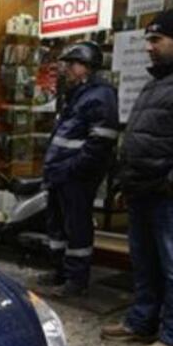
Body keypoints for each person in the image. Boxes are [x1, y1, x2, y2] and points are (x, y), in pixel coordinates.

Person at [101, 10, 173, 346]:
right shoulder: (160, 78)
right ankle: (142, 321)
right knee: (145, 261)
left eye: (155, 39)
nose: (148, 47)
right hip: (144, 190)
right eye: (148, 39)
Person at [38, 41, 119, 298]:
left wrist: (74, 168)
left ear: (87, 67)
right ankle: (60, 271)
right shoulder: (77, 93)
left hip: (76, 176)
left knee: (77, 228)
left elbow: (101, 142)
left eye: (72, 64)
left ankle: (76, 279)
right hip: (61, 173)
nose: (67, 69)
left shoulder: (100, 95)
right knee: (58, 226)